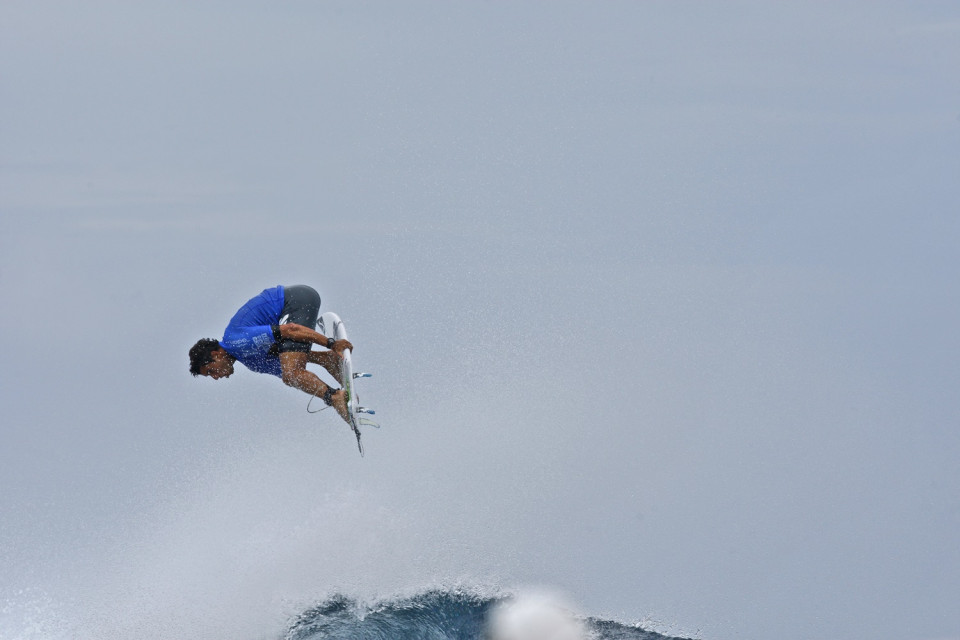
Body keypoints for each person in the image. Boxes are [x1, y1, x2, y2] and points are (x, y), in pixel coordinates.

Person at [189, 285, 353, 423]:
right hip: (289, 312)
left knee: (291, 373)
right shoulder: (250, 361)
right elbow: (293, 367)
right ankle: (327, 361)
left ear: (216, 354)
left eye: (210, 370)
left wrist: (331, 343)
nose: (215, 377)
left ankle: (335, 397)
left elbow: (291, 330)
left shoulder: (237, 341)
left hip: (297, 299)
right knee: (289, 371)